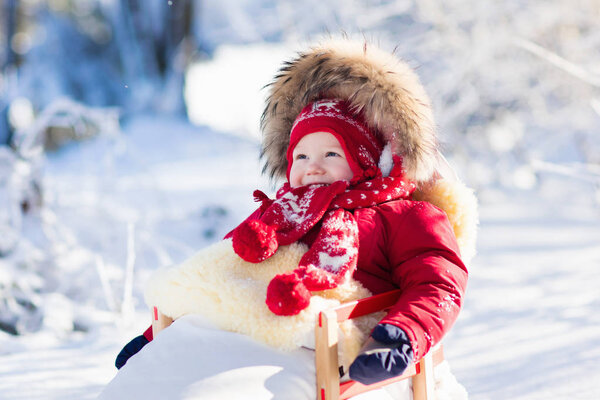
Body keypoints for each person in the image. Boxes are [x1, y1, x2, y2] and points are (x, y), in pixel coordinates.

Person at [114, 39, 470, 389]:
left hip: (319, 343)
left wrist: (399, 336)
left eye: (332, 154)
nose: (312, 167)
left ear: (368, 159)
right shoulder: (279, 216)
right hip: (239, 327)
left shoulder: (404, 216)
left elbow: (437, 283)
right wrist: (155, 339)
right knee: (168, 377)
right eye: (301, 156)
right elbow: (221, 270)